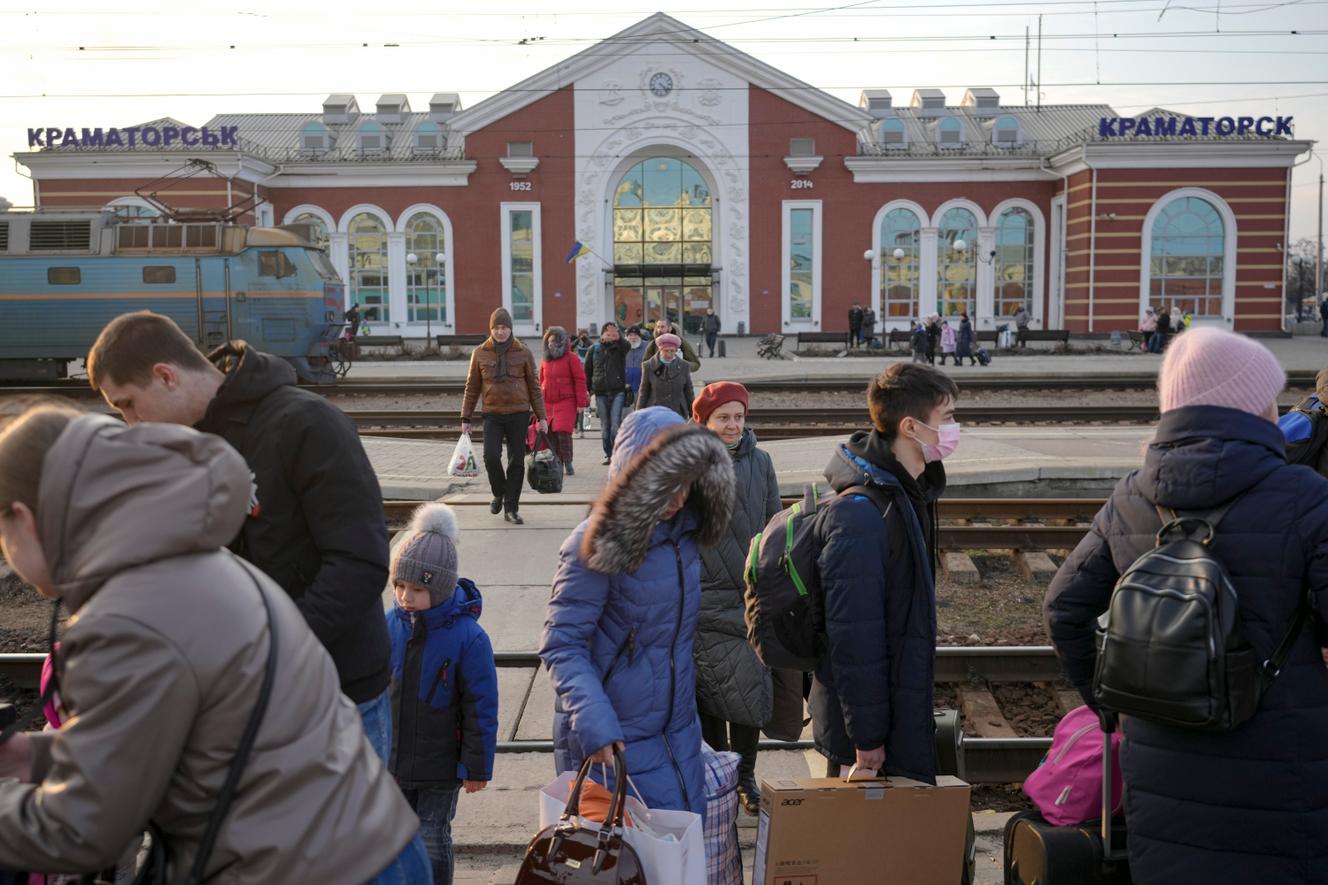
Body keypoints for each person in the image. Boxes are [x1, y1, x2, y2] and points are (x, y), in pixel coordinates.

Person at [0, 407, 426, 883]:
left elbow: (81, 830)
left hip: (311, 866)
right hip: (361, 845)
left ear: (24, 518)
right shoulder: (184, 561)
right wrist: (33, 756)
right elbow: (165, 740)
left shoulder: (126, 620)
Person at [1044, 327, 1328, 884]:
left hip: (1158, 768)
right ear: (1251, 407)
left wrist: (1109, 706)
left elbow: (1063, 608)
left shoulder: (1132, 494)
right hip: (1285, 777)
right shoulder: (1306, 496)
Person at [86, 311, 396, 760]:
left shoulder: (308, 424)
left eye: (128, 405)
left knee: (352, 832)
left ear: (165, 376)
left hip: (334, 694)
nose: (131, 423)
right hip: (248, 699)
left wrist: (268, 649)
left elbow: (360, 563)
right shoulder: (186, 447)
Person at [541, 406, 735, 816]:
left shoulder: (684, 538)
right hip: (613, 743)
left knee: (677, 853)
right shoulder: (595, 544)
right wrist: (595, 723)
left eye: (685, 485)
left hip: (677, 733)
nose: (676, 499)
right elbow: (562, 643)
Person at [812, 363, 957, 783]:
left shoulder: (911, 491)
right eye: (947, 419)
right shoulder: (860, 514)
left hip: (895, 710)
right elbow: (855, 637)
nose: (954, 430)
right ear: (911, 427)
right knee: (862, 845)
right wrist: (868, 740)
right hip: (867, 740)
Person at [387, 503, 498, 885]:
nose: (405, 596)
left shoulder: (468, 638)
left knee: (433, 835)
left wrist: (476, 765)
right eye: (399, 586)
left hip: (440, 765)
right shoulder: (391, 625)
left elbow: (480, 706)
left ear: (441, 587)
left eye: (417, 589)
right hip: (395, 760)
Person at [692, 383, 781, 815]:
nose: (732, 425)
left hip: (749, 596)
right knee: (708, 694)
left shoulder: (761, 462)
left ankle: (744, 776)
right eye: (723, 417)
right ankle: (719, 778)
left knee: (749, 694)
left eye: (738, 417)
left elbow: (774, 523)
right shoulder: (690, 465)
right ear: (704, 421)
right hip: (702, 599)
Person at [461, 308, 548, 526]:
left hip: (519, 413)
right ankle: (499, 492)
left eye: (504, 327)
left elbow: (534, 387)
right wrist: (466, 418)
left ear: (510, 329)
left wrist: (542, 417)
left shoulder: (524, 352)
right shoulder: (480, 353)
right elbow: (471, 388)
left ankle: (511, 508)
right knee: (491, 456)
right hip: (492, 413)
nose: (500, 332)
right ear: (491, 329)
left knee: (516, 461)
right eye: (496, 328)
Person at [539, 326, 588, 476]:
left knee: (563, 432)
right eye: (549, 341)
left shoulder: (571, 358)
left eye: (554, 341)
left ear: (561, 342)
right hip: (547, 401)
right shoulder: (545, 359)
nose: (551, 344)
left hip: (566, 401)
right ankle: (556, 461)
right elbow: (540, 379)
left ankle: (567, 460)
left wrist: (581, 403)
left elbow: (580, 380)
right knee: (550, 434)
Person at [583, 322, 630, 467]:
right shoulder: (594, 349)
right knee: (605, 426)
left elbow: (627, 346)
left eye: (613, 334)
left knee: (615, 424)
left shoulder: (620, 348)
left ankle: (617, 453)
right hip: (600, 392)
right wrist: (587, 390)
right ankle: (608, 454)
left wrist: (619, 337)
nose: (610, 337)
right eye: (608, 334)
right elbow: (587, 371)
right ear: (602, 334)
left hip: (618, 391)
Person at [638, 333, 695, 419]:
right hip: (655, 413)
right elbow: (644, 392)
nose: (669, 354)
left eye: (672, 351)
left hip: (678, 413)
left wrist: (694, 415)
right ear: (660, 350)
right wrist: (638, 415)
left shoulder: (684, 366)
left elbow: (689, 392)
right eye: (666, 351)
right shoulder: (648, 366)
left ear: (676, 350)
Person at [625, 325, 647, 408]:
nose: (633, 337)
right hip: (625, 385)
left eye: (635, 335)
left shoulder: (646, 346)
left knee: (639, 409)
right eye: (630, 335)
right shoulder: (622, 346)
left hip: (640, 384)